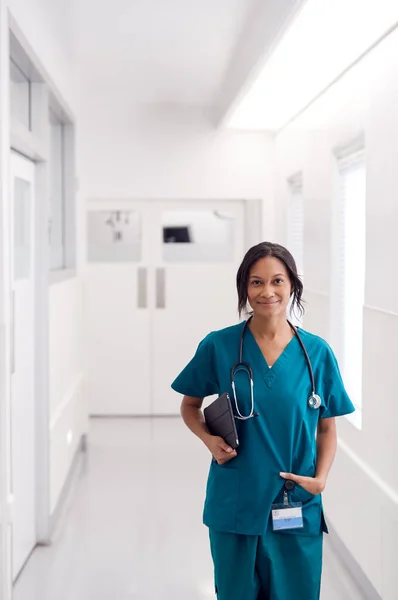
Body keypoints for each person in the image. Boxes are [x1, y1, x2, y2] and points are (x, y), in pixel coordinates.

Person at [171, 241, 355, 600]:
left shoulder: (316, 353)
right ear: (245, 288)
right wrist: (209, 440)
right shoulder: (219, 345)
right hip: (235, 498)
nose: (267, 291)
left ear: (292, 286)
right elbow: (189, 405)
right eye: (256, 282)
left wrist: (320, 479)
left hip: (295, 501)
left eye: (277, 281)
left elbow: (327, 426)